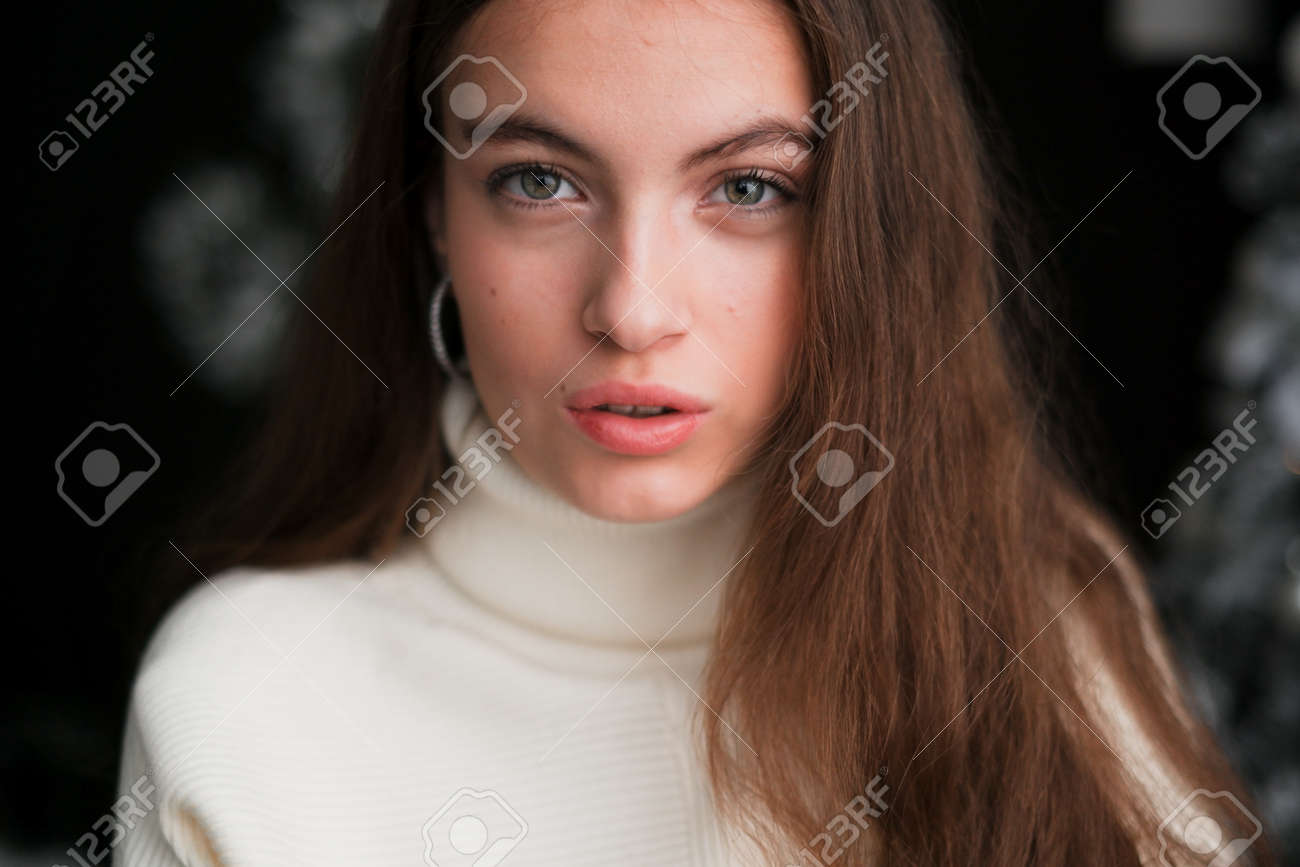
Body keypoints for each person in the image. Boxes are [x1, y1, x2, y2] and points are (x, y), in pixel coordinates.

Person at [115, 0, 1275, 864]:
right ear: (430, 217)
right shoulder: (245, 699)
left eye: (749, 189)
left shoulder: (1040, 612)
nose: (631, 310)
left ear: (870, 233)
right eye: (537, 182)